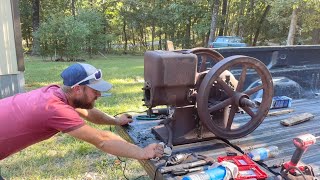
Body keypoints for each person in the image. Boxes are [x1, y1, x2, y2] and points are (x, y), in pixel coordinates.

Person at [0, 63, 164, 175]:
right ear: (77, 89)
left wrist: (115, 121)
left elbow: (88, 112)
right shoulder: (53, 108)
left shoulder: (58, 93)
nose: (99, 94)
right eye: (95, 90)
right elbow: (102, 140)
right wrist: (142, 152)